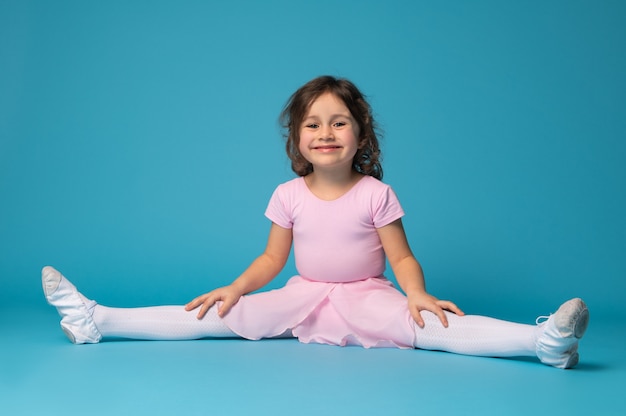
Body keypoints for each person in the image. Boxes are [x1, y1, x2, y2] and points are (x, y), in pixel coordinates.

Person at [42, 75, 589, 369]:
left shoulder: (376, 193)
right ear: (297, 140)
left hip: (366, 295)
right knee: (217, 314)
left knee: (434, 329)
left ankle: (542, 341)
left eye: (339, 122)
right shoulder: (287, 194)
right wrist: (236, 287)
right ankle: (98, 319)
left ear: (361, 137)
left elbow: (399, 255)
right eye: (312, 124)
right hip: (302, 293)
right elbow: (272, 260)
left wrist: (417, 293)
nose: (326, 132)